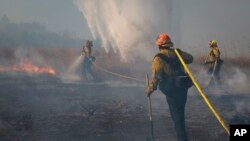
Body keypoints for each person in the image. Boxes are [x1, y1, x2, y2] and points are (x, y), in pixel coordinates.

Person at [146, 33, 193, 141]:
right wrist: (178, 53)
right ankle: (183, 136)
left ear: (159, 45)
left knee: (176, 117)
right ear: (169, 44)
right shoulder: (178, 53)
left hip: (172, 91)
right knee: (180, 115)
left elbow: (156, 77)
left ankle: (182, 139)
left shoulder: (158, 59)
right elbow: (190, 58)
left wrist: (149, 89)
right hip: (182, 88)